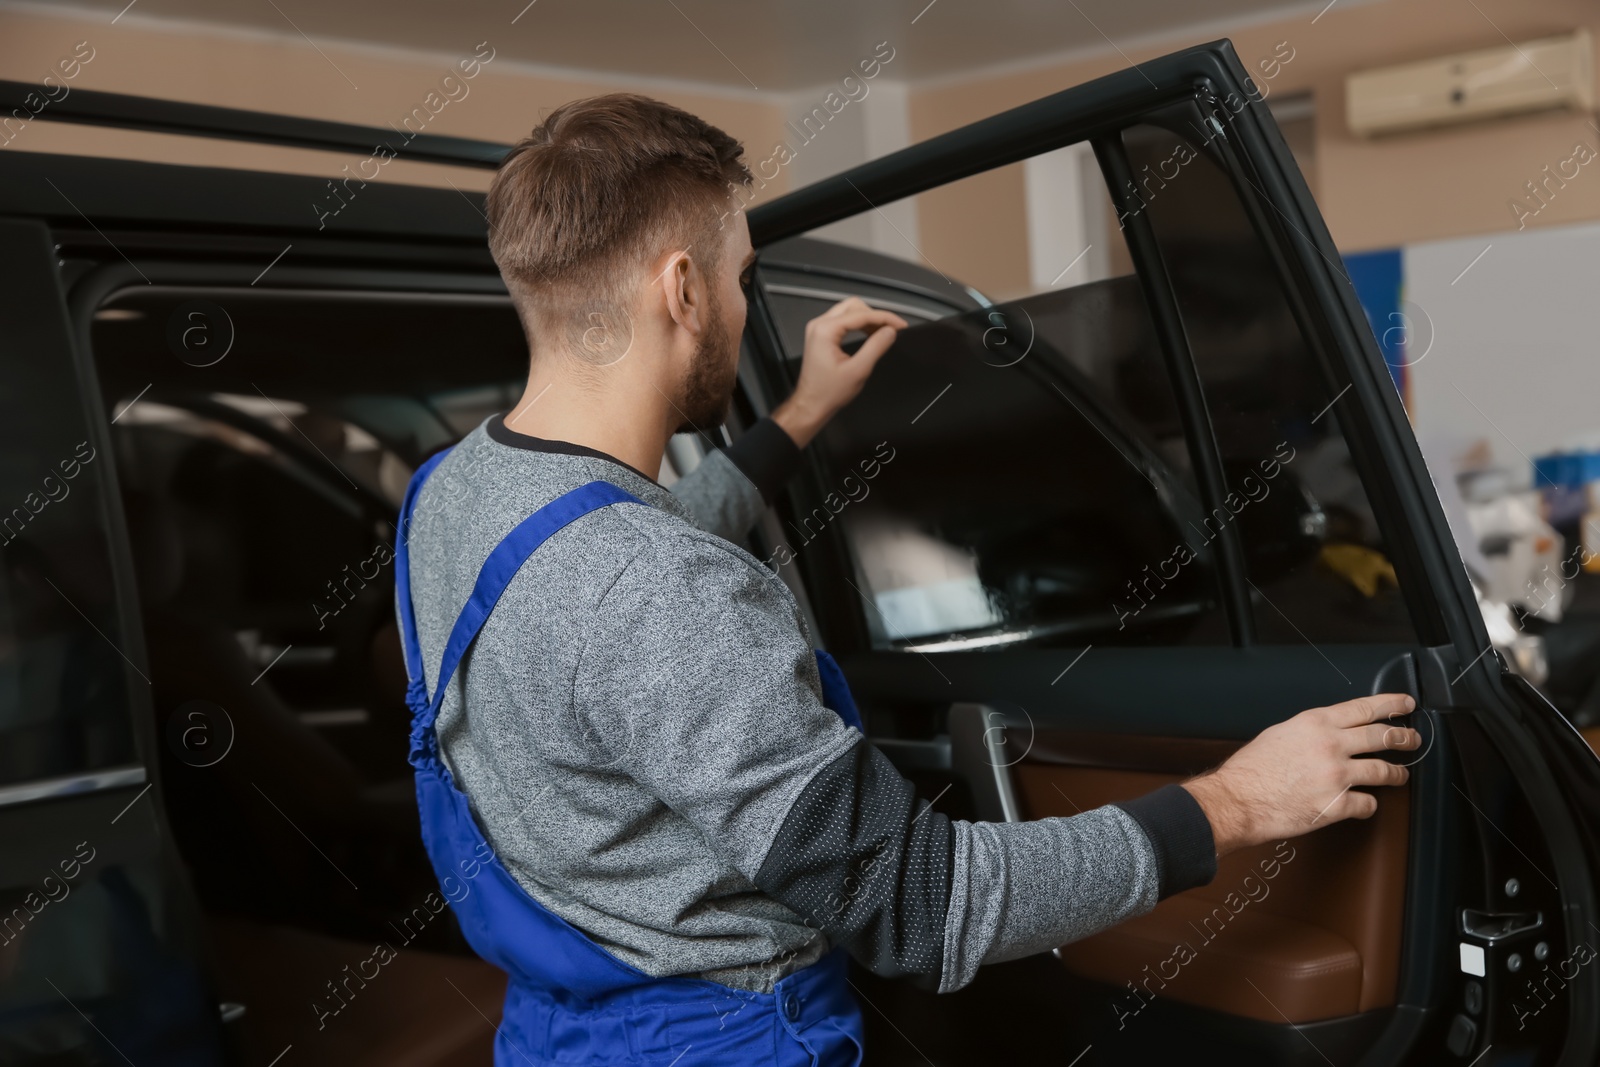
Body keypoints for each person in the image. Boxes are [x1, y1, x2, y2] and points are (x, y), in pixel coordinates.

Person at [395, 93, 1419, 1067]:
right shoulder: (658, 591)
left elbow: (600, 582)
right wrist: (1233, 801)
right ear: (680, 287)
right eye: (741, 274)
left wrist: (798, 417)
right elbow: (925, 907)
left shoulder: (455, 491)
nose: (742, 300)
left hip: (557, 1030)